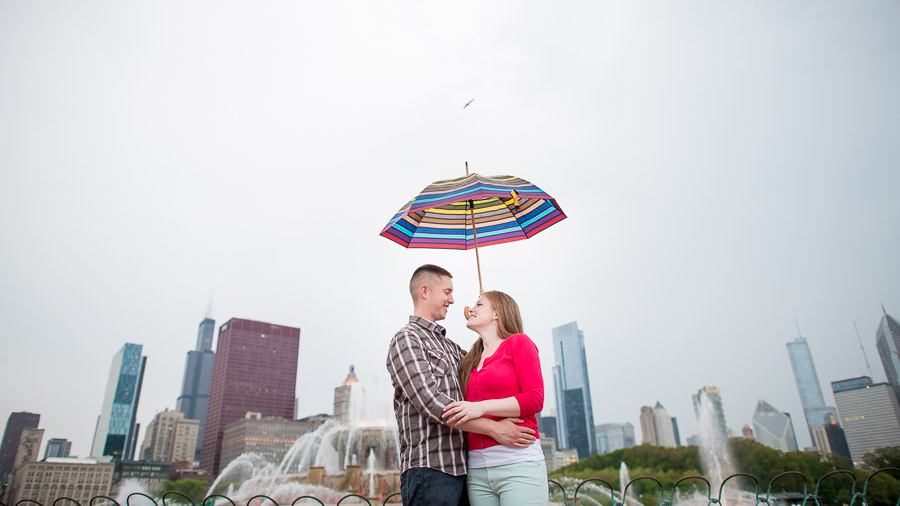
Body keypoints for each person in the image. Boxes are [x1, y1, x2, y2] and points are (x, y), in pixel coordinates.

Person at [386, 265, 537, 506]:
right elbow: (433, 403)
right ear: (425, 291)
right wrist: (493, 428)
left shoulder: (451, 347)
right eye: (447, 292)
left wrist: (491, 324)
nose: (452, 300)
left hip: (466, 470)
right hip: (430, 468)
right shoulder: (407, 338)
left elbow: (488, 371)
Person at [442, 290, 548, 506]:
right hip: (477, 472)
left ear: (497, 313)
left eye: (479, 304)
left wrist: (480, 407)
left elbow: (534, 399)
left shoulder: (519, 343)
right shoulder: (468, 360)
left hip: (519, 464)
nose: (470, 309)